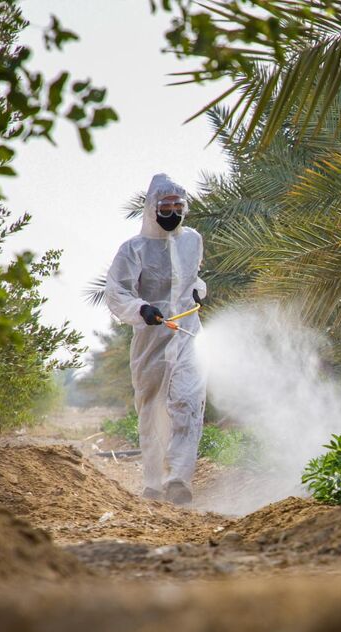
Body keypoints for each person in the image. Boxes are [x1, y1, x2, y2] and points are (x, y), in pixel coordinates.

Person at [104, 173, 207, 505]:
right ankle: (153, 481)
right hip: (152, 337)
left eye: (178, 205)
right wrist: (141, 309)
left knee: (188, 402)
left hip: (188, 331)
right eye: (166, 205)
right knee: (153, 409)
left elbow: (191, 278)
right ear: (152, 209)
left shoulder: (193, 240)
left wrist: (198, 291)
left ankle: (178, 479)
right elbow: (116, 291)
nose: (172, 210)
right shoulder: (133, 249)